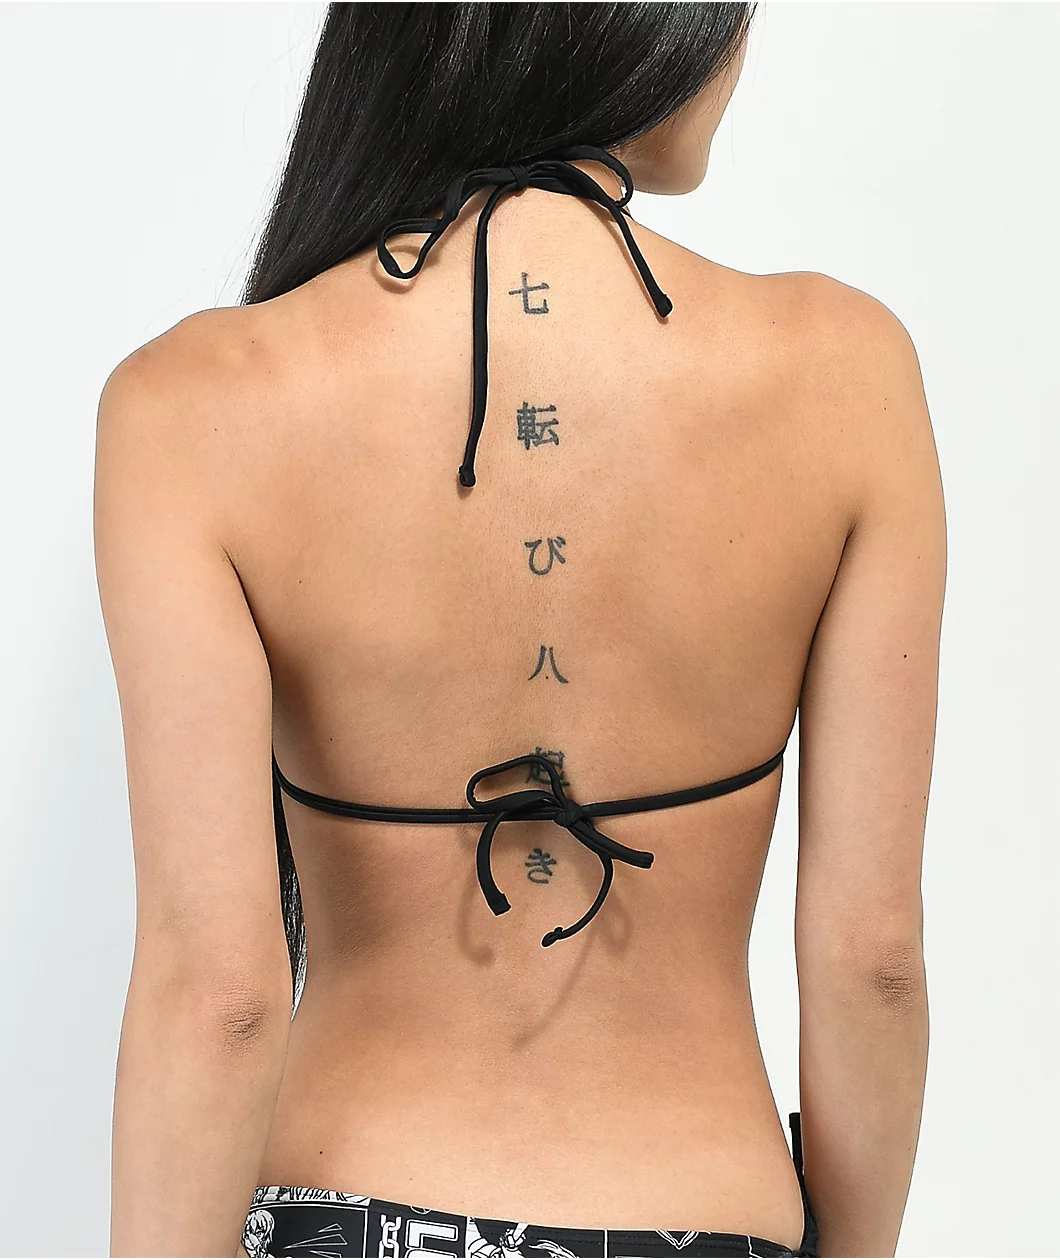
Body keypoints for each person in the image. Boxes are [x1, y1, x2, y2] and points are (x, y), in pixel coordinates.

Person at [96, 4, 944, 1257]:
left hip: (347, 1204)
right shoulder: (846, 372)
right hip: (703, 1208)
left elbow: (215, 996)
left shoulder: (191, 403)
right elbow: (873, 959)